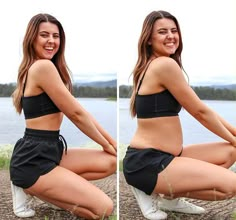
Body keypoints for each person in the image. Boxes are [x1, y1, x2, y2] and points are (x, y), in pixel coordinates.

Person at [123, 10, 236, 220]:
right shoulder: (164, 64)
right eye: (163, 32)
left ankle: (170, 199)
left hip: (169, 157)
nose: (170, 36)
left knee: (231, 151)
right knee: (230, 186)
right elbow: (200, 113)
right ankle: (146, 187)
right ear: (149, 39)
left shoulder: (155, 64)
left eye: (174, 31)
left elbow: (203, 108)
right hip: (148, 162)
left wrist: (234, 137)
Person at [10, 13, 117, 219]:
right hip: (33, 159)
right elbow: (75, 115)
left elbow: (81, 111)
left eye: (56, 36)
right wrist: (104, 143)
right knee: (103, 210)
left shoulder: (44, 68)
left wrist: (111, 144)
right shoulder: (42, 67)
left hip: (51, 150)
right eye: (44, 35)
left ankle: (40, 189)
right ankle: (28, 186)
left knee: (111, 161)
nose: (51, 41)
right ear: (32, 38)